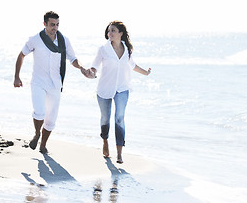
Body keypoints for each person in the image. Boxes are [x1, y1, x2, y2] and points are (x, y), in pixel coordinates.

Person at [14, 11, 88, 154]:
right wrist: (17, 76)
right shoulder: (35, 39)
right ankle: (37, 133)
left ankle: (43, 145)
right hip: (38, 82)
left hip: (55, 84)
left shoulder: (64, 40)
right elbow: (21, 55)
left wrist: (82, 68)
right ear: (45, 24)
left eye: (57, 24)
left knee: (51, 119)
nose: (55, 27)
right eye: (52, 25)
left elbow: (73, 59)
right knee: (40, 111)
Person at [85, 21, 151, 164]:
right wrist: (91, 72)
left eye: (113, 31)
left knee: (120, 118)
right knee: (105, 118)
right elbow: (95, 66)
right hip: (105, 89)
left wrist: (145, 73)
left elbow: (132, 65)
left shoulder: (126, 49)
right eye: (109, 31)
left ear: (120, 33)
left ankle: (120, 153)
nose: (110, 34)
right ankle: (105, 141)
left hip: (122, 88)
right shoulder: (103, 49)